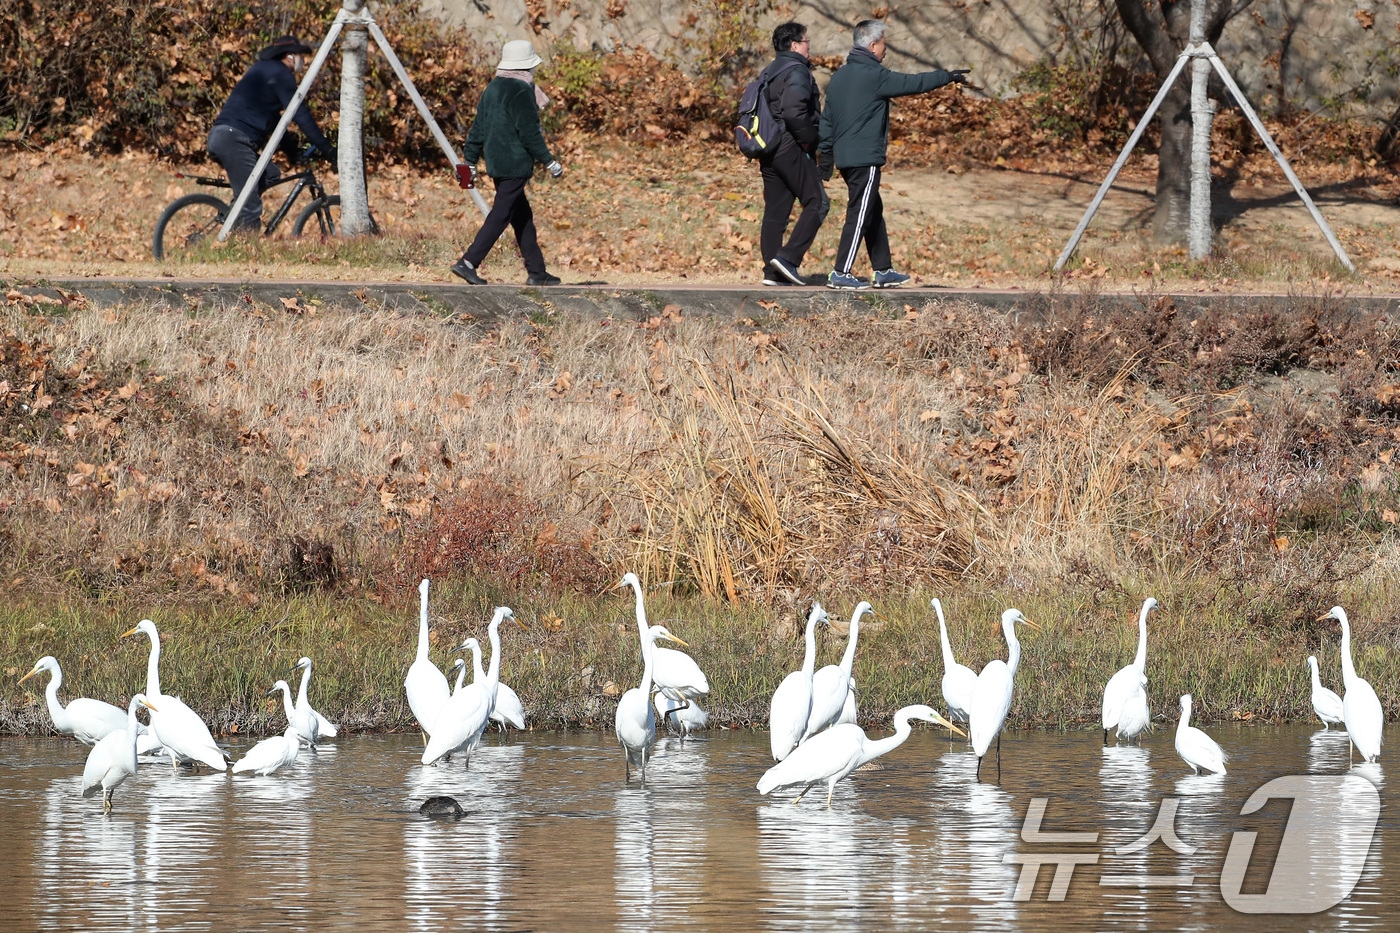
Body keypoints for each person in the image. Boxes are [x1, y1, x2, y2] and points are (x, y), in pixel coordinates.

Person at [818, 20, 967, 289]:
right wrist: (947, 76)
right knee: (860, 212)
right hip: (864, 158)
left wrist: (826, 154)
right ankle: (840, 272)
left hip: (846, 158)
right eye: (883, 44)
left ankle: (883, 270)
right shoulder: (875, 76)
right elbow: (914, 83)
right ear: (872, 45)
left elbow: (826, 119)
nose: (886, 49)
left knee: (872, 209)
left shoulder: (839, 77)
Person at [451, 39, 564, 287]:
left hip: (496, 163)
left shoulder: (492, 88)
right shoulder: (522, 90)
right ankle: (468, 262)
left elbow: (477, 128)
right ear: (526, 67)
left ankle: (537, 272)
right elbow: (530, 133)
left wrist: (470, 160)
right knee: (501, 214)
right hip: (515, 164)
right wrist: (549, 161)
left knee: (522, 217)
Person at [207, 36, 337, 232]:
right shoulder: (280, 74)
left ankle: (235, 212)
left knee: (271, 174)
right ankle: (244, 247)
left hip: (222, 136)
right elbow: (300, 113)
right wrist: (326, 148)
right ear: (290, 56)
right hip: (235, 139)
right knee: (250, 206)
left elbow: (275, 121)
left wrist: (293, 152)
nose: (303, 61)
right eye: (300, 56)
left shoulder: (263, 70)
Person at [756, 22, 828, 287]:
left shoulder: (769, 70)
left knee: (776, 211)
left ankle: (772, 273)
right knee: (818, 202)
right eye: (806, 41)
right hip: (790, 144)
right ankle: (788, 259)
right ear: (795, 45)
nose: (809, 46)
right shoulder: (797, 70)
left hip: (768, 146)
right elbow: (793, 112)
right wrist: (810, 141)